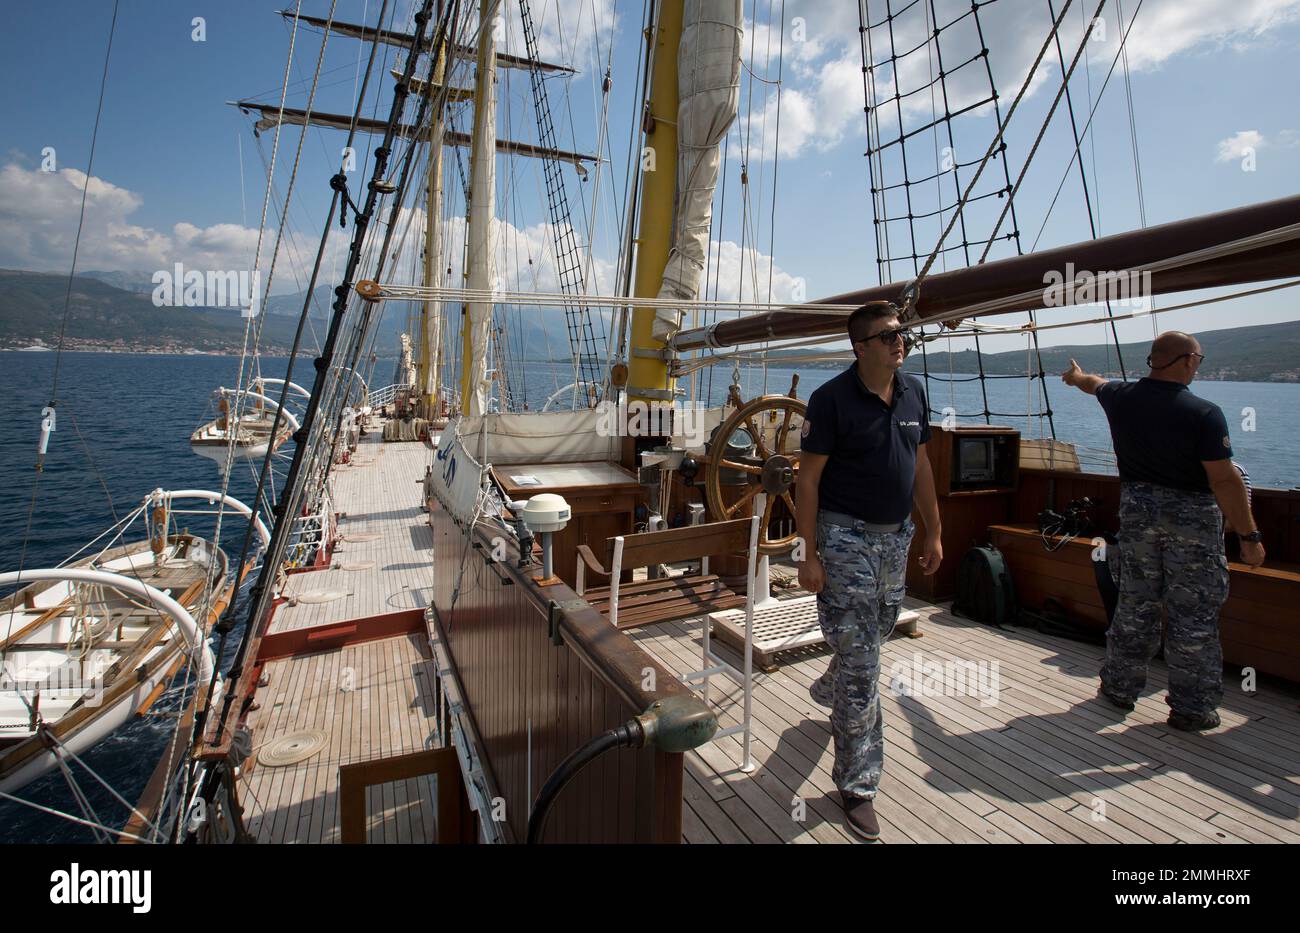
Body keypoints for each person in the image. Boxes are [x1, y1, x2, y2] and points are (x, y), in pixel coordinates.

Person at [1061, 331, 1265, 732]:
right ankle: (1191, 708)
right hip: (1192, 524)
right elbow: (1224, 481)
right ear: (1187, 361)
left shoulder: (1121, 398)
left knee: (1136, 605)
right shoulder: (1204, 414)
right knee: (1193, 618)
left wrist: (1075, 376)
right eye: (1199, 360)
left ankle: (1119, 688)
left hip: (1137, 520)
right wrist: (1250, 537)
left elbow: (1093, 384)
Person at [795, 302, 942, 841]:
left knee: (874, 634)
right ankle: (858, 786)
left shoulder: (914, 392)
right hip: (844, 539)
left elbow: (921, 463)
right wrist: (807, 554)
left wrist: (935, 530)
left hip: (895, 538)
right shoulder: (830, 400)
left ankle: (833, 679)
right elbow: (806, 481)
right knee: (865, 667)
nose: (898, 342)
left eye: (901, 334)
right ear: (860, 346)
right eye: (886, 336)